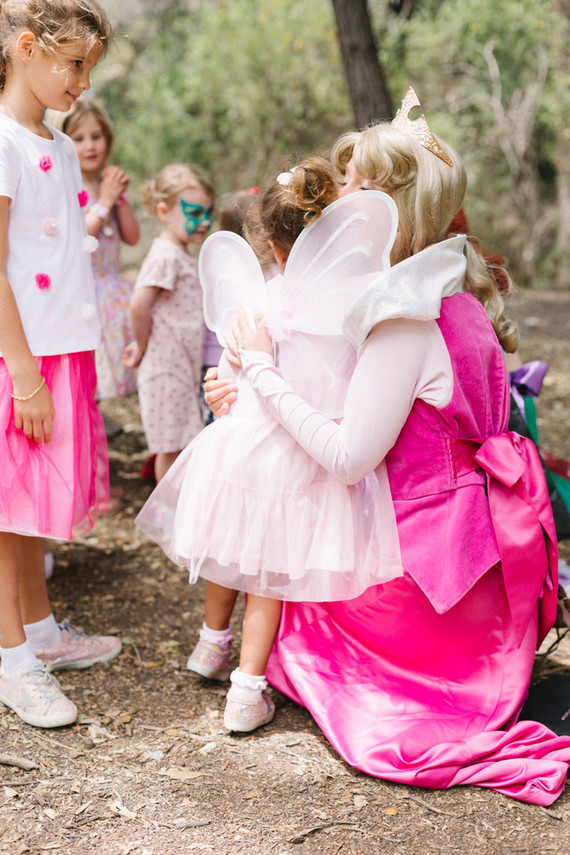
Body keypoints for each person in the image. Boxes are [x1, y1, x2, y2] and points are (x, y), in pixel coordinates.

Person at [206, 88, 570, 804]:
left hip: (432, 591)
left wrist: (260, 371)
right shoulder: (457, 292)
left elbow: (347, 456)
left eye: (354, 185)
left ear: (389, 207)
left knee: (287, 589)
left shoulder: (404, 317)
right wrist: (256, 394)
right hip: (473, 561)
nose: (337, 199)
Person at [136, 157, 402, 733]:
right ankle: (246, 690)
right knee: (266, 582)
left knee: (230, 548)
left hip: (238, 447)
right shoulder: (350, 305)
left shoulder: (257, 298)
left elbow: (230, 374)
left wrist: (219, 391)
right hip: (296, 454)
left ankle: (210, 643)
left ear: (270, 247)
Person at [0, 0, 121, 730]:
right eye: (74, 64)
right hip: (20, 355)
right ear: (25, 48)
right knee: (6, 511)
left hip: (62, 347)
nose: (83, 83)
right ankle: (11, 657)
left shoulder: (63, 146)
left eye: (89, 68)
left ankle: (40, 630)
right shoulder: (1, 142)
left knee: (33, 503)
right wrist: (25, 373)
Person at [123, 163, 215, 482]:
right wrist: (142, 344)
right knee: (171, 447)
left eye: (208, 213)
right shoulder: (166, 255)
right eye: (194, 213)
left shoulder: (181, 254)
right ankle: (167, 521)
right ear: (164, 211)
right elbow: (138, 304)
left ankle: (180, 518)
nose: (203, 221)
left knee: (183, 442)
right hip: (165, 370)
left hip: (181, 369)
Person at [61, 99, 140, 402]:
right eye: (79, 139)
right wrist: (104, 201)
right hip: (84, 293)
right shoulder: (69, 185)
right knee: (88, 365)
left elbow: (132, 237)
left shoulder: (109, 185)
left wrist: (119, 199)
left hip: (113, 291)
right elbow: (78, 239)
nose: (90, 146)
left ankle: (102, 420)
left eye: (96, 136)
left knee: (115, 361)